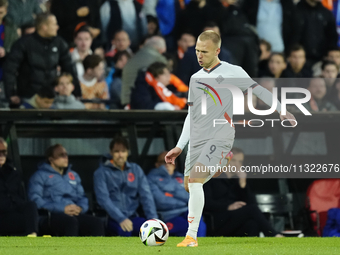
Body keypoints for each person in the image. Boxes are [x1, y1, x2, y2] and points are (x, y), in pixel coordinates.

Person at [164, 30, 296, 247]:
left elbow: (259, 91)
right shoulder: (195, 78)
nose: (199, 55)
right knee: (189, 186)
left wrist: (281, 110)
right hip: (199, 137)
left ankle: (191, 237)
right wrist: (179, 146)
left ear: (217, 51)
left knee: (196, 181)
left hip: (221, 133)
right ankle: (220, 163)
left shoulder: (233, 72)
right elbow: (191, 115)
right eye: (197, 51)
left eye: (204, 52)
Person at [3, 13, 81, 107]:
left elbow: (70, 68)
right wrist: (11, 93)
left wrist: (76, 92)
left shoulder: (59, 43)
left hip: (52, 98)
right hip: (28, 97)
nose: (57, 27)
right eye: (54, 24)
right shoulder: (23, 44)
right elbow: (10, 69)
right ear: (44, 27)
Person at [28, 144, 105, 236]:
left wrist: (80, 208)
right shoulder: (39, 176)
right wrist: (61, 209)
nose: (66, 157)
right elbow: (35, 199)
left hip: (73, 213)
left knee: (96, 222)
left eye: (66, 154)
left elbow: (82, 197)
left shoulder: (73, 175)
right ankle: (69, 250)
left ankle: (97, 250)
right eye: (61, 155)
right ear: (51, 159)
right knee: (71, 222)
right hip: (50, 216)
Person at [204, 148, 282, 237]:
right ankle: (274, 235)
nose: (237, 165)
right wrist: (228, 207)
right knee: (252, 210)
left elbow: (252, 203)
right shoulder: (211, 178)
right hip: (218, 220)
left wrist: (243, 185)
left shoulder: (237, 181)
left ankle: (254, 250)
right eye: (233, 160)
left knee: (252, 224)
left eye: (240, 162)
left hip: (236, 220)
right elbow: (206, 203)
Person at [93, 136, 158, 236]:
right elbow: (103, 199)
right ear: (111, 153)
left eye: (123, 151)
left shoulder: (136, 169)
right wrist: (121, 218)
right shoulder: (101, 172)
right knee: (125, 231)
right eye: (116, 151)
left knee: (154, 232)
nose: (120, 155)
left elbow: (146, 196)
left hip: (133, 216)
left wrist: (153, 220)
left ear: (127, 153)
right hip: (112, 218)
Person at [147, 151, 206, 237]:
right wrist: (182, 200)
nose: (167, 164)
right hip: (168, 216)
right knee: (186, 226)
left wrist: (170, 193)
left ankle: (199, 247)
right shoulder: (151, 178)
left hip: (186, 211)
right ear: (157, 164)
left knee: (198, 221)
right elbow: (161, 201)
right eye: (164, 162)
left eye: (170, 161)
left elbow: (191, 196)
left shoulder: (181, 177)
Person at [0, 137, 39, 236]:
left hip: (13, 211)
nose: (2, 155)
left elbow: (18, 196)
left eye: (4, 152)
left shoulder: (12, 171)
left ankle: (32, 237)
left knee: (31, 206)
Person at [120, 36, 167, 107]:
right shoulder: (158, 58)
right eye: (162, 52)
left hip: (125, 100)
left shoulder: (135, 57)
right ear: (158, 48)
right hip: (142, 102)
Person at [296, 0, 338, 65]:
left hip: (321, 61)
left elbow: (332, 37)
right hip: (299, 60)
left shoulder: (326, 13)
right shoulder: (295, 11)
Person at [0, 0, 19, 82]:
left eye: (0, 13)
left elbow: (17, 48)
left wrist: (6, 50)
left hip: (5, 69)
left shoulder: (11, 28)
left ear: (6, 12)